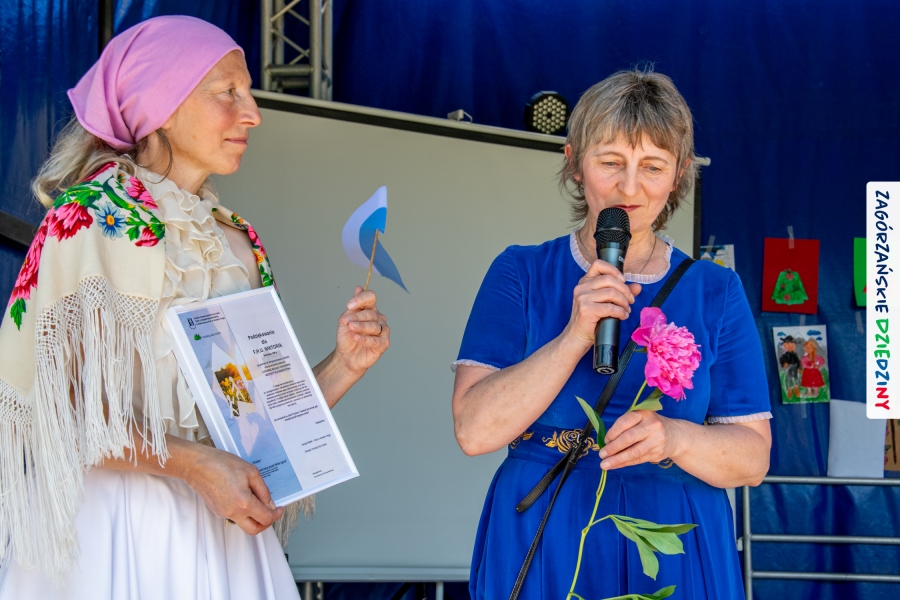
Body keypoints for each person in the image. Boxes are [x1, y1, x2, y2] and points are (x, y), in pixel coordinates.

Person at [0, 16, 390, 599]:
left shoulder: (236, 239)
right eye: (228, 92)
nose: (252, 113)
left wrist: (344, 365)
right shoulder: (90, 217)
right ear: (161, 103)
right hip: (114, 531)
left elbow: (256, 423)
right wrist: (194, 465)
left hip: (223, 536)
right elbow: (59, 407)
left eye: (248, 93)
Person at [452, 68, 772, 599]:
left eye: (653, 167)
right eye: (611, 162)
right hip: (547, 534)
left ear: (679, 175)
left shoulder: (716, 290)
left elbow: (753, 460)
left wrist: (675, 437)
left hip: (672, 537)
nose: (629, 187)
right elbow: (474, 431)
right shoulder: (520, 272)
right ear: (574, 163)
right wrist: (574, 336)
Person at [779, 335, 801, 399]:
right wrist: (783, 364)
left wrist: (799, 368)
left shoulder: (795, 355)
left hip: (795, 367)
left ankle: (796, 389)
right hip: (789, 368)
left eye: (792, 344)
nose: (790, 346)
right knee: (789, 379)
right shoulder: (784, 355)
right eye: (788, 344)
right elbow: (782, 360)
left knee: (796, 378)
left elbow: (798, 361)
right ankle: (789, 390)